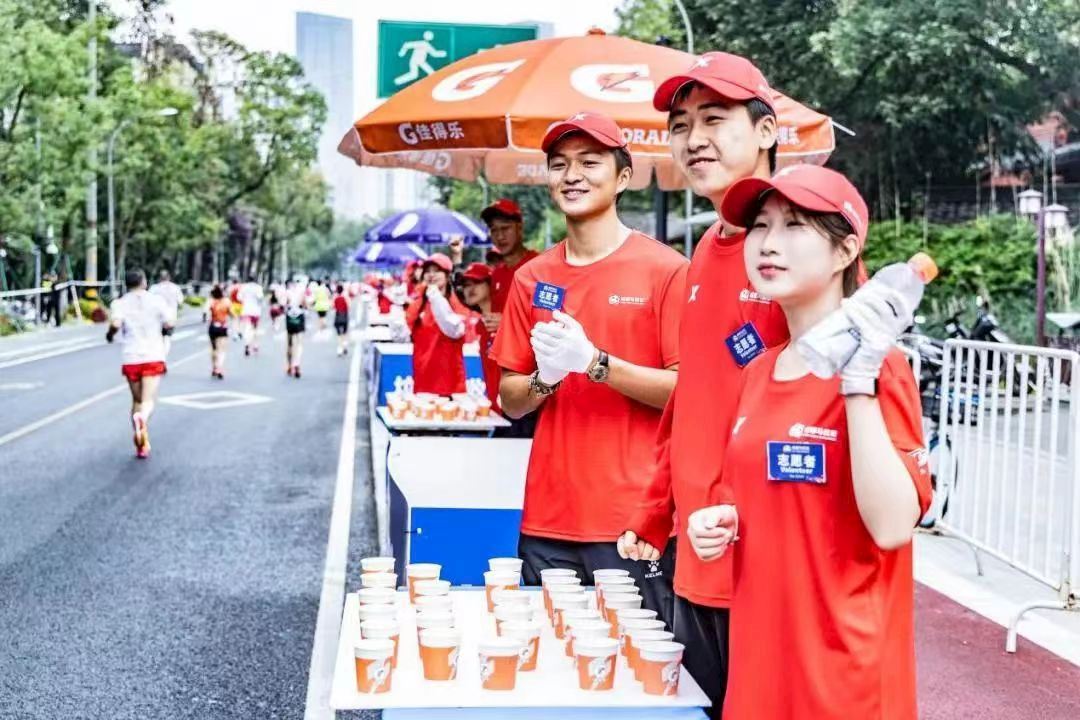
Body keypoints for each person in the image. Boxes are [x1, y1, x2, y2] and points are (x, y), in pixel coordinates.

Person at [688, 165, 932, 720]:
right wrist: (716, 524)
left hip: (846, 682)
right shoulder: (761, 370)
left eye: (795, 226)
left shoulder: (881, 370)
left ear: (845, 251)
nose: (768, 244)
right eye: (761, 226)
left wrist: (858, 382)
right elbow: (747, 499)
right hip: (760, 672)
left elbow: (894, 526)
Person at [616, 52, 789, 716]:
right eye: (681, 124)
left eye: (715, 119)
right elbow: (692, 398)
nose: (694, 139)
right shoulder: (701, 260)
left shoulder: (792, 250)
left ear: (766, 131)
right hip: (696, 552)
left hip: (761, 559)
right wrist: (656, 504)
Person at [491, 111, 688, 626]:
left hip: (633, 521)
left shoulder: (666, 270)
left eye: (589, 162)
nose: (572, 175)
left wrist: (596, 364)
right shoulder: (533, 278)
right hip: (548, 518)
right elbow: (509, 399)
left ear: (623, 176)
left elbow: (687, 393)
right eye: (559, 165)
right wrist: (545, 379)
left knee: (634, 683)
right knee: (553, 676)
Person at [106, 270, 176, 459]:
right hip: (153, 355)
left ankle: (142, 444)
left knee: (136, 401)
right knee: (147, 401)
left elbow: (116, 323)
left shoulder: (119, 303)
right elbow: (170, 322)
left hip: (131, 357)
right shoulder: (156, 300)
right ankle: (142, 419)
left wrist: (110, 334)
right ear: (144, 282)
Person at [405, 253, 470, 395]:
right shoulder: (419, 302)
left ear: (447, 275)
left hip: (450, 382)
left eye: (437, 270)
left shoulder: (457, 302)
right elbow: (406, 330)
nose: (431, 275)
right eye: (427, 271)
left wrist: (436, 298)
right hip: (423, 380)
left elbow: (454, 330)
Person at [459, 262, 501, 412]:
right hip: (495, 409)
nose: (469, 288)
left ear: (491, 285)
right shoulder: (480, 325)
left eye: (476, 282)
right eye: (465, 285)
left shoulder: (506, 319)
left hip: (517, 411)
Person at [150, 270, 185, 357]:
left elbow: (148, 301)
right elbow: (180, 301)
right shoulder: (175, 288)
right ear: (169, 277)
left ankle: (157, 354)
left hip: (156, 317)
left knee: (157, 336)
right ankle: (163, 356)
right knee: (167, 337)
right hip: (170, 317)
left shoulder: (154, 288)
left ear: (159, 278)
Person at [284, 279, 307, 378]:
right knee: (299, 343)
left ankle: (289, 366)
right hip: (299, 317)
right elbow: (305, 304)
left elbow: (284, 304)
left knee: (289, 343)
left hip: (289, 318)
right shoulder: (301, 293)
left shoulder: (287, 293)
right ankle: (297, 363)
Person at [207, 284, 230, 379]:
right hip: (223, 327)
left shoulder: (210, 301)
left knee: (213, 348)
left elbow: (205, 312)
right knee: (222, 349)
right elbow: (232, 313)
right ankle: (219, 367)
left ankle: (214, 367)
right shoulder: (226, 301)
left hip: (212, 327)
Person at [237, 275, 264, 356]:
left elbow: (239, 298)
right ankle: (255, 345)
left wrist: (245, 301)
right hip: (256, 311)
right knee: (255, 328)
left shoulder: (243, 287)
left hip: (246, 310)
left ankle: (247, 344)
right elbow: (260, 298)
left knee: (247, 328)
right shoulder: (258, 287)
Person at [333, 283, 351, 356]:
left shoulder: (335, 298)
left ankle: (340, 349)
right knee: (344, 333)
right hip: (344, 316)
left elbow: (333, 306)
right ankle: (344, 346)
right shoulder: (345, 298)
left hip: (338, 316)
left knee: (339, 334)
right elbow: (349, 306)